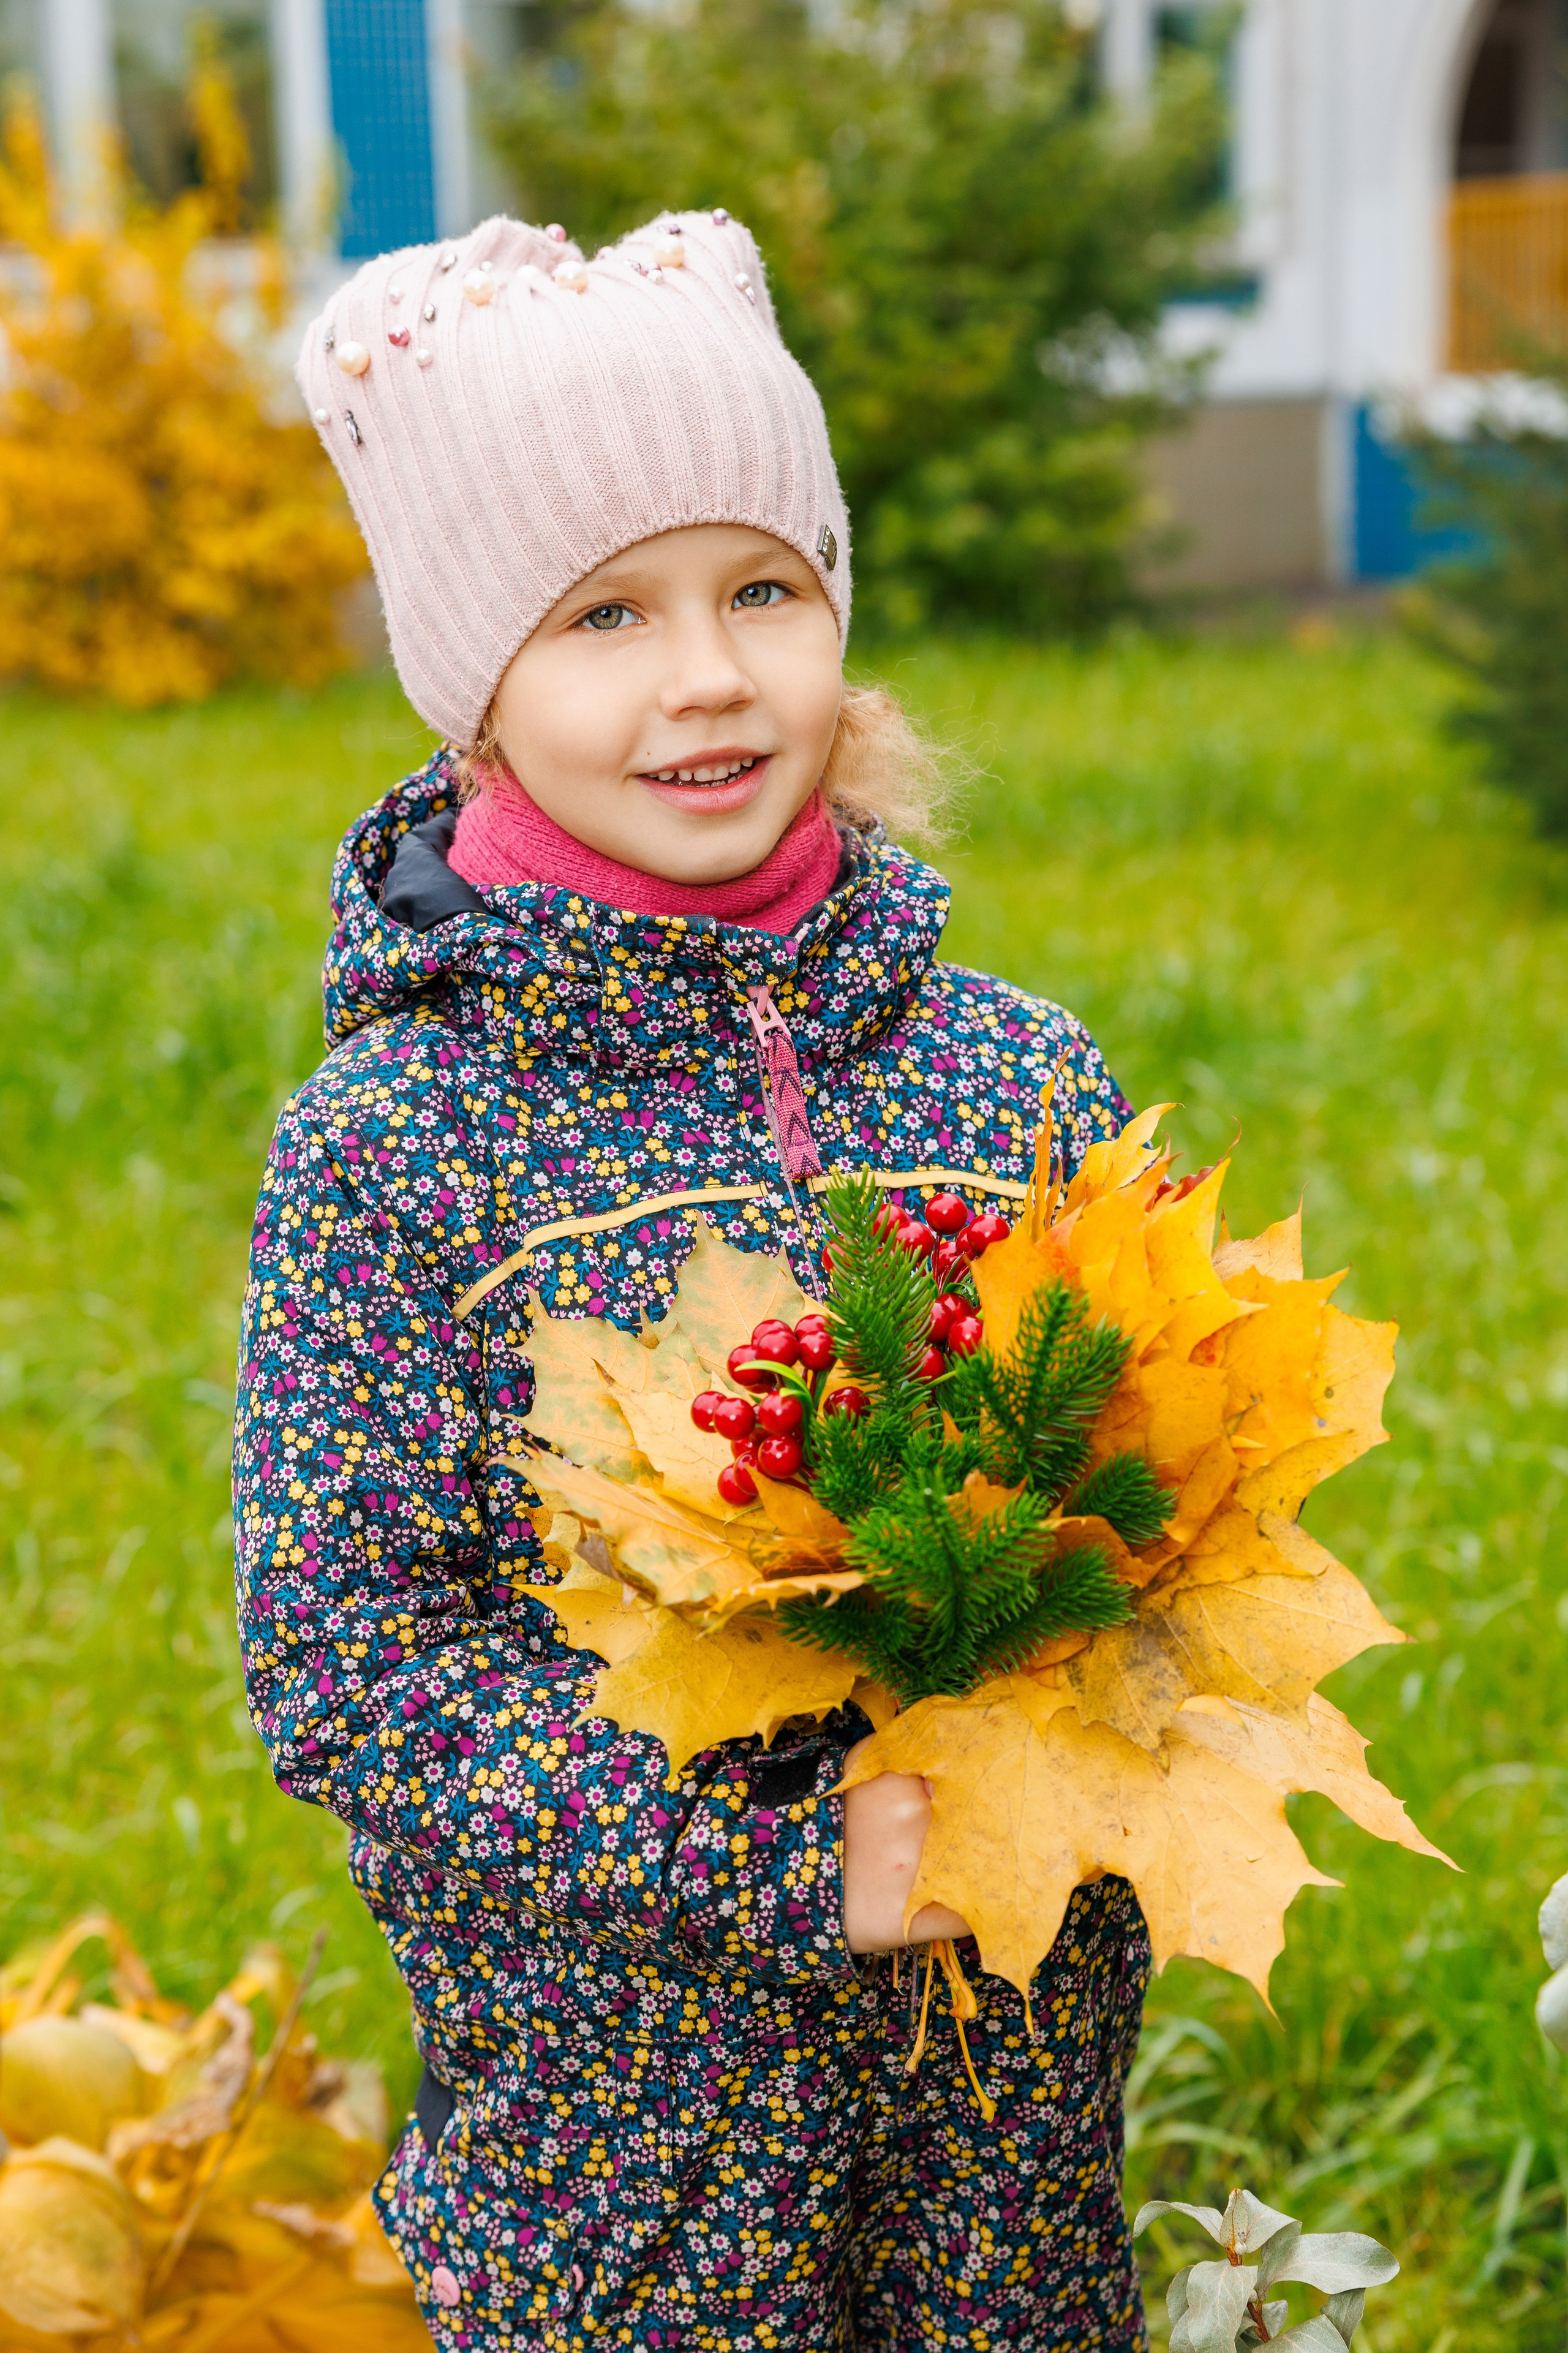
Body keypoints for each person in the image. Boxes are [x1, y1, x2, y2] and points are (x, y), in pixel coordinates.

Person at [235, 208, 1150, 2352]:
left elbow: (1153, 1510)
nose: (710, 673)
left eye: (764, 586)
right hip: (623, 2172)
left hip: (1009, 2138)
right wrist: (777, 1872)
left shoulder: (1012, 1070)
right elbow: (351, 1664)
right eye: (604, 617)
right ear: (475, 686)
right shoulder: (402, 1147)